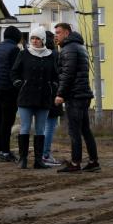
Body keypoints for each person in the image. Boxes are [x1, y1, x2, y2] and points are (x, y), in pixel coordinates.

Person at [53, 23, 99, 173]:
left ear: (66, 33)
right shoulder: (79, 47)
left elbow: (67, 74)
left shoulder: (69, 49)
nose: (56, 36)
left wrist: (60, 94)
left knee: (74, 131)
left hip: (75, 96)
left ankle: (75, 163)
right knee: (85, 129)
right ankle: (93, 161)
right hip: (83, 94)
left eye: (58, 33)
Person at [10, 26, 58, 169]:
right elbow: (14, 72)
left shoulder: (51, 55)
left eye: (37, 38)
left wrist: (53, 86)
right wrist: (19, 83)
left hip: (44, 98)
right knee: (25, 127)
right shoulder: (24, 54)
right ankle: (23, 160)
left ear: (43, 40)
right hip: (26, 97)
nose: (35, 41)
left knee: (40, 129)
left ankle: (38, 160)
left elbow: (56, 75)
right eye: (32, 38)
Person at [0, 25, 23, 162]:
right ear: (16, 37)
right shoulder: (14, 49)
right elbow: (15, 70)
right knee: (7, 122)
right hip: (9, 89)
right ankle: (5, 152)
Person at [41, 31, 63, 166]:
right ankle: (45, 154)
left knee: (41, 126)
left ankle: (41, 154)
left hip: (39, 95)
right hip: (53, 94)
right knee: (49, 126)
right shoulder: (56, 55)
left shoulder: (38, 55)